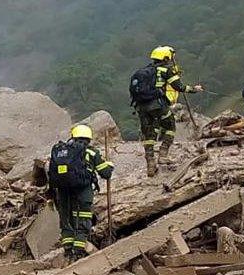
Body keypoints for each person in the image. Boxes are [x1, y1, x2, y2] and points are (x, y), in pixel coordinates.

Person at [130, 45, 203, 177]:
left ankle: (150, 165)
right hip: (157, 105)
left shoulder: (145, 70)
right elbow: (179, 87)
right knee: (170, 126)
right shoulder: (166, 70)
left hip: (141, 107)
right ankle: (163, 155)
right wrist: (194, 89)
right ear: (165, 57)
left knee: (149, 134)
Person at [47, 124, 114, 260]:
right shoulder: (91, 152)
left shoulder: (62, 151)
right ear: (88, 139)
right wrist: (110, 165)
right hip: (82, 192)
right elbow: (105, 173)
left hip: (63, 191)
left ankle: (67, 252)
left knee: (66, 221)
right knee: (82, 220)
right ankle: (78, 253)